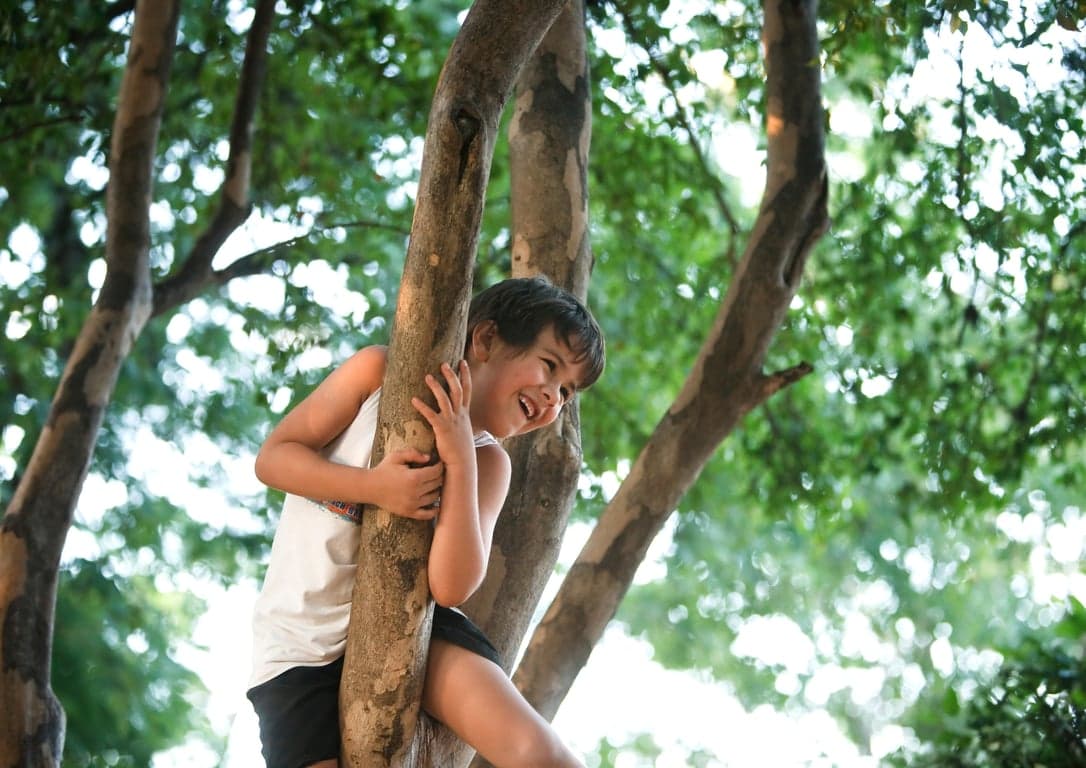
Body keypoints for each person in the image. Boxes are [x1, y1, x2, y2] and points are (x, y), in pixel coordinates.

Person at [246, 276, 605, 768]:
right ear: (485, 340)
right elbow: (274, 459)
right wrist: (375, 488)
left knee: (542, 756)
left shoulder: (490, 464)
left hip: (422, 632)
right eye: (549, 367)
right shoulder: (379, 372)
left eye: (567, 391)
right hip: (299, 651)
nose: (554, 399)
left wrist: (460, 458)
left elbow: (451, 584)